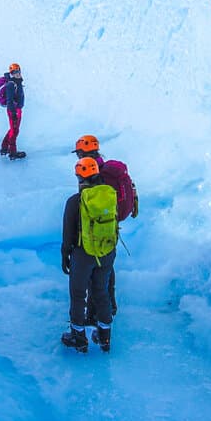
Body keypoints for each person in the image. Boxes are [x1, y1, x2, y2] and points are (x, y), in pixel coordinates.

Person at [72, 134, 139, 324]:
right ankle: (109, 307)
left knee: (97, 271)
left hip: (98, 226)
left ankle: (96, 314)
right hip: (111, 224)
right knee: (106, 266)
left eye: (79, 153)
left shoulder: (94, 172)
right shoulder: (108, 169)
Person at [60, 157, 117, 352]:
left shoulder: (75, 201)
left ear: (79, 177)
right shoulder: (109, 195)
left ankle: (78, 336)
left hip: (83, 255)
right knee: (101, 292)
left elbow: (68, 235)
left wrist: (65, 256)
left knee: (78, 294)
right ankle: (105, 336)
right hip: (107, 252)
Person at [0, 63, 25, 160]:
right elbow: (9, 100)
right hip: (14, 110)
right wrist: (13, 113)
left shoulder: (17, 82)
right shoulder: (11, 84)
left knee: (13, 129)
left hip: (17, 109)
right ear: (11, 73)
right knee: (14, 131)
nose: (16, 73)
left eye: (17, 71)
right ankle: (13, 152)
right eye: (14, 72)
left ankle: (4, 148)